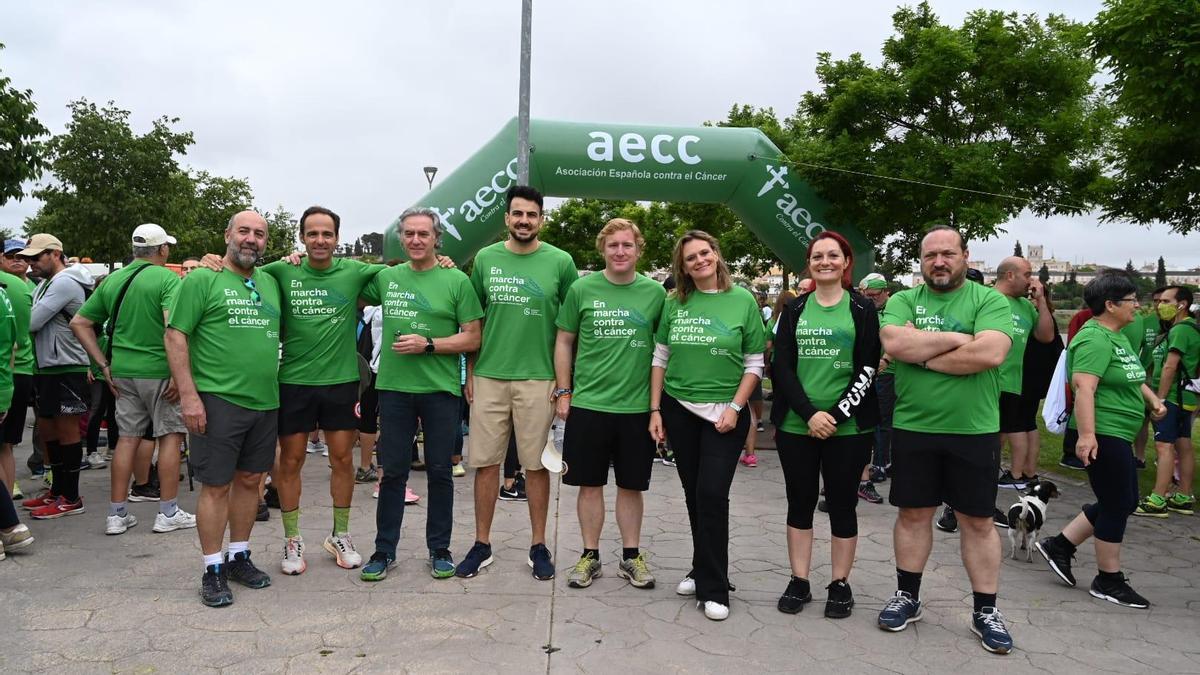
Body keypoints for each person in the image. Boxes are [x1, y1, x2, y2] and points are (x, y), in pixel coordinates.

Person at [876, 226, 1015, 654]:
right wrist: (958, 340)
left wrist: (924, 354)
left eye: (948, 253)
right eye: (931, 254)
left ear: (965, 256)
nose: (939, 261)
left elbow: (990, 353)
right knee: (914, 515)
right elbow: (894, 342)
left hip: (973, 430)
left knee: (977, 521)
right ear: (921, 260)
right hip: (915, 428)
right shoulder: (902, 299)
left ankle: (985, 610)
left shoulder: (988, 299)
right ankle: (908, 596)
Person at [457, 185, 578, 581]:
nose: (524, 220)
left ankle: (538, 545)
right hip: (490, 377)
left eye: (532, 214)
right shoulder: (486, 260)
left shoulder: (561, 262)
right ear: (506, 218)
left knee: (537, 466)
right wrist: (471, 373)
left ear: (541, 219)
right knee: (485, 464)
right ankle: (481, 544)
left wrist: (564, 386)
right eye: (517, 214)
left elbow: (570, 330)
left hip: (539, 380)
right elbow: (472, 321)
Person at [357, 208, 482, 581]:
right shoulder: (386, 277)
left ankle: (439, 549)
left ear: (436, 238)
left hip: (440, 391)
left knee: (441, 471)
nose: (415, 240)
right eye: (409, 234)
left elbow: (473, 336)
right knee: (392, 472)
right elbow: (335, 278)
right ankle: (384, 550)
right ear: (401, 238)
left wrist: (429, 344)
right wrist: (296, 257)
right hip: (394, 390)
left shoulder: (456, 279)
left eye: (423, 234)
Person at [166, 211, 281, 607]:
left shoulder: (270, 282)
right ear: (228, 235)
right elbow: (175, 335)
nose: (251, 239)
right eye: (244, 231)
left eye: (260, 234)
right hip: (217, 399)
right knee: (216, 486)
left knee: (251, 482)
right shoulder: (203, 278)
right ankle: (212, 568)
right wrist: (189, 395)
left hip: (265, 401)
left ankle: (239, 556)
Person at [648, 230, 766, 621]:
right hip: (678, 408)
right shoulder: (674, 302)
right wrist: (656, 410)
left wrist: (735, 407)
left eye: (704, 252)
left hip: (725, 413)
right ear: (681, 266)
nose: (699, 260)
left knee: (712, 494)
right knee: (694, 494)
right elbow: (660, 357)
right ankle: (701, 568)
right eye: (690, 257)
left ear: (716, 254)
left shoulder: (743, 300)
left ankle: (715, 588)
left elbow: (754, 363)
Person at [1036, 272, 1167, 608]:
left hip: (1120, 432)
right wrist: (1088, 435)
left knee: (1118, 499)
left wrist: (1152, 399)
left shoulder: (1117, 336)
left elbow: (1132, 376)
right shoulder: (1093, 339)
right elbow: (1085, 388)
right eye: (1131, 300)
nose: (1138, 305)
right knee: (1119, 502)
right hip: (1104, 432)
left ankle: (1061, 545)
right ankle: (1107, 580)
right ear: (1110, 305)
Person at [770, 232, 879, 619]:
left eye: (833, 255)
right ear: (810, 263)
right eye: (818, 256)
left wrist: (834, 415)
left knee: (842, 505)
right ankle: (799, 580)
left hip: (847, 429)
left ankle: (839, 584)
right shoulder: (795, 309)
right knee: (799, 503)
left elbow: (868, 367)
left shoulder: (864, 309)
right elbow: (780, 366)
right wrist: (809, 413)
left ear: (846, 261)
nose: (825, 261)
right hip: (798, 426)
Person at [554, 218, 665, 590]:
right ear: (602, 249)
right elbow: (564, 341)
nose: (620, 251)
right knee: (589, 485)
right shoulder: (582, 289)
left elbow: (663, 352)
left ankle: (631, 557)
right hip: (589, 404)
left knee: (631, 486)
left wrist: (656, 407)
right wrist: (564, 391)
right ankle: (590, 556)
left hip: (635, 409)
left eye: (627, 245)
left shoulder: (655, 294)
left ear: (639, 249)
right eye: (613, 245)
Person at [71, 223, 195, 536]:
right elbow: (173, 327)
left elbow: (80, 322)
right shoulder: (168, 278)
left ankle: (117, 513)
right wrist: (177, 372)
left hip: (122, 371)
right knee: (170, 437)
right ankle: (167, 511)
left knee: (126, 438)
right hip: (160, 371)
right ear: (163, 249)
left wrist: (102, 364)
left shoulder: (113, 279)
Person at [20, 234, 95, 520]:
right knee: (49, 429)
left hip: (66, 365)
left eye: (35, 258)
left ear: (55, 254)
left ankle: (71, 497)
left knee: (66, 431)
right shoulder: (47, 283)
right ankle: (58, 491)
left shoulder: (65, 282)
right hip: (49, 365)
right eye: (27, 259)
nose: (30, 265)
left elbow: (31, 321)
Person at [992, 256, 1056, 490]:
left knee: (997, 439)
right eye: (1028, 274)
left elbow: (1046, 336)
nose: (1033, 280)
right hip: (985, 381)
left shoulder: (1026, 306)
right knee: (983, 440)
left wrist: (1041, 302)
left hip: (1012, 384)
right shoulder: (986, 298)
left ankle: (985, 489)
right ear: (1010, 275)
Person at [1136, 285, 1198, 517]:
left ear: (1181, 305)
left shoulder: (1181, 330)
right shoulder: (1190, 328)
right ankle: (1183, 495)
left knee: (1164, 447)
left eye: (1165, 301)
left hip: (1173, 397)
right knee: (1183, 445)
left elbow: (1170, 366)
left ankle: (1157, 499)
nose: (1160, 306)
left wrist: (1159, 399)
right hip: (1187, 397)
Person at [1, 239, 42, 483]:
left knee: (7, 444)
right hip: (22, 370)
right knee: (7, 445)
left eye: (23, 257)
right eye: (11, 256)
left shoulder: (31, 288)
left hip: (20, 368)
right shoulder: (26, 289)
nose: (18, 260)